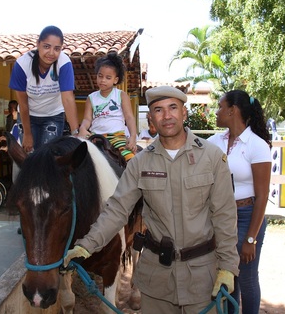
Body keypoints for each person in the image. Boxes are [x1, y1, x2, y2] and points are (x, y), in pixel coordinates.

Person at [65, 86, 239, 313]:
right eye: (158, 110)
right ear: (151, 119)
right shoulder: (140, 163)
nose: (167, 116)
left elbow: (225, 216)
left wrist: (227, 267)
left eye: (173, 108)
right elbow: (117, 210)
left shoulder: (212, 158)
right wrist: (86, 245)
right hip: (157, 281)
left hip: (202, 278)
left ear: (184, 113)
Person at [207, 90, 272, 314]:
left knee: (247, 279)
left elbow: (263, 196)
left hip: (247, 216)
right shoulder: (214, 142)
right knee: (226, 275)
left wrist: (251, 239)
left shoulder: (257, 145)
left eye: (220, 106)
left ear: (232, 111)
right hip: (220, 217)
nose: (216, 112)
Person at [8, 25, 79, 152]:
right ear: (38, 44)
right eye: (46, 46)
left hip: (54, 115)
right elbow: (23, 104)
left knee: (48, 155)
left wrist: (76, 133)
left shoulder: (64, 63)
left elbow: (68, 99)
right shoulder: (22, 64)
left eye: (57, 48)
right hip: (28, 116)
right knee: (29, 157)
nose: (51, 53)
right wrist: (28, 135)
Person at [77, 51, 137, 161]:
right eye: (100, 76)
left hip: (117, 136)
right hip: (96, 137)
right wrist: (82, 129)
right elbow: (87, 119)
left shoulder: (121, 95)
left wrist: (133, 137)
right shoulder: (91, 98)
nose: (103, 80)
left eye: (108, 77)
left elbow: (129, 117)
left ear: (115, 80)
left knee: (130, 159)